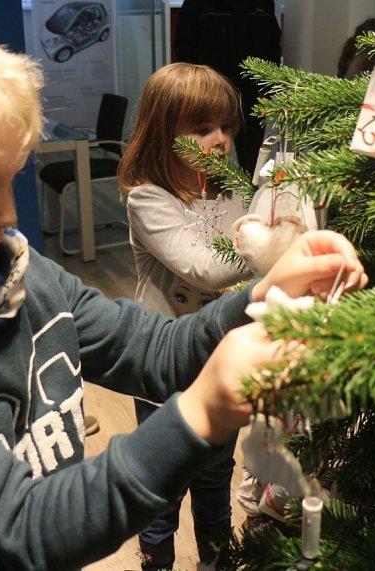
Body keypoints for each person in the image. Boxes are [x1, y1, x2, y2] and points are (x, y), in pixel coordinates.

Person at [0, 1, 368, 570]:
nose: (6, 214)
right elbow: (23, 528)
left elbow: (153, 351)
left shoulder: (19, 277)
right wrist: (202, 411)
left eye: (10, 180)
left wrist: (260, 295)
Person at [118, 62, 254, 570]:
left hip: (221, 361)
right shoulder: (148, 200)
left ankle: (216, 561)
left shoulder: (228, 191)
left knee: (217, 477)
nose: (220, 140)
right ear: (162, 132)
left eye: (225, 127)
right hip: (164, 368)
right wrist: (271, 248)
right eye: (202, 129)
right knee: (162, 487)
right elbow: (205, 268)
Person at [174, 0, 282, 177]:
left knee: (253, 151)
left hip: (252, 90)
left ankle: (250, 194)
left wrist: (268, 84)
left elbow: (272, 45)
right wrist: (197, 85)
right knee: (210, 145)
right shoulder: (197, 3)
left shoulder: (263, 2)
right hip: (212, 90)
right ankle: (207, 194)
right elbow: (184, 45)